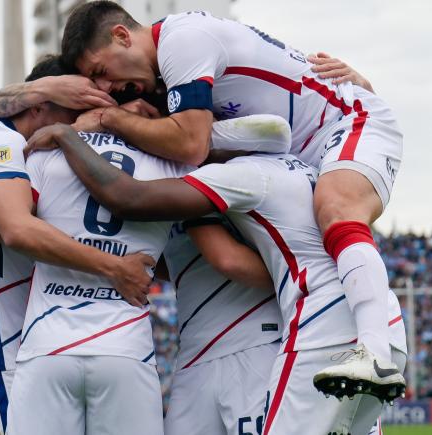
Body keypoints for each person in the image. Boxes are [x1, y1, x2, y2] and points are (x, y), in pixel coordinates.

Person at [46, 1, 402, 396]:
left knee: (335, 208)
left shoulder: (181, 42)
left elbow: (191, 143)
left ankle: (376, 353)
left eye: (101, 72)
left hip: (346, 120)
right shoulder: (166, 70)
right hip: (303, 149)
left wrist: (109, 119)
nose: (108, 88)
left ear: (122, 35)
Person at [26, 121, 408, 434]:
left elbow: (219, 254)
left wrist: (67, 134)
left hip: (253, 343)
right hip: (222, 347)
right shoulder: (311, 170)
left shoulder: (226, 177)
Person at [0, 55, 157, 435]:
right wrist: (115, 267)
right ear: (42, 106)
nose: (84, 122)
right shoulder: (0, 141)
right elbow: (14, 229)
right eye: (78, 109)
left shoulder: (45, 155)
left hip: (37, 348)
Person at [161, 216, 282, 435]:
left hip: (255, 343)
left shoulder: (172, 188)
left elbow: (227, 259)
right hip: (195, 354)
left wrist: (301, 278)